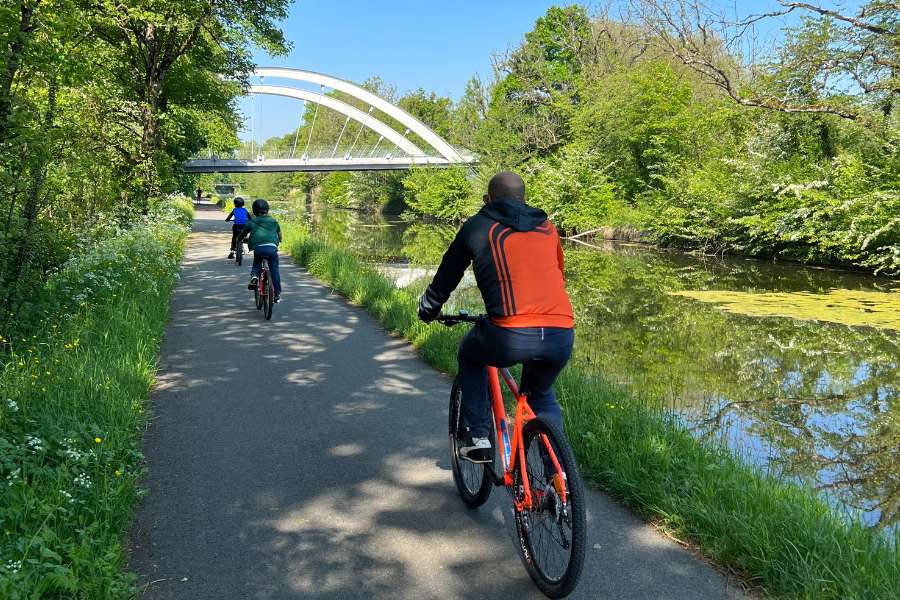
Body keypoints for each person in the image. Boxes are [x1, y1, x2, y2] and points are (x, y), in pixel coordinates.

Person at [417, 171, 574, 466]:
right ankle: (559, 478)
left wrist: (429, 308)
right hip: (561, 331)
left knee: (470, 353)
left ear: (487, 200)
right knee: (540, 395)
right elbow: (558, 277)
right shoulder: (548, 228)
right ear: (524, 199)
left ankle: (477, 437)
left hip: (510, 334)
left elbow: (447, 275)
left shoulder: (478, 226)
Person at [239, 199, 283, 302]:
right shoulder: (274, 221)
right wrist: (279, 240)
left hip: (258, 248)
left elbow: (243, 233)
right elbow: (280, 235)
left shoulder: (252, 221)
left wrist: (239, 240)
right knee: (275, 271)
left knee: (257, 262)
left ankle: (254, 276)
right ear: (267, 209)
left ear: (254, 210)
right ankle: (277, 294)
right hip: (272, 248)